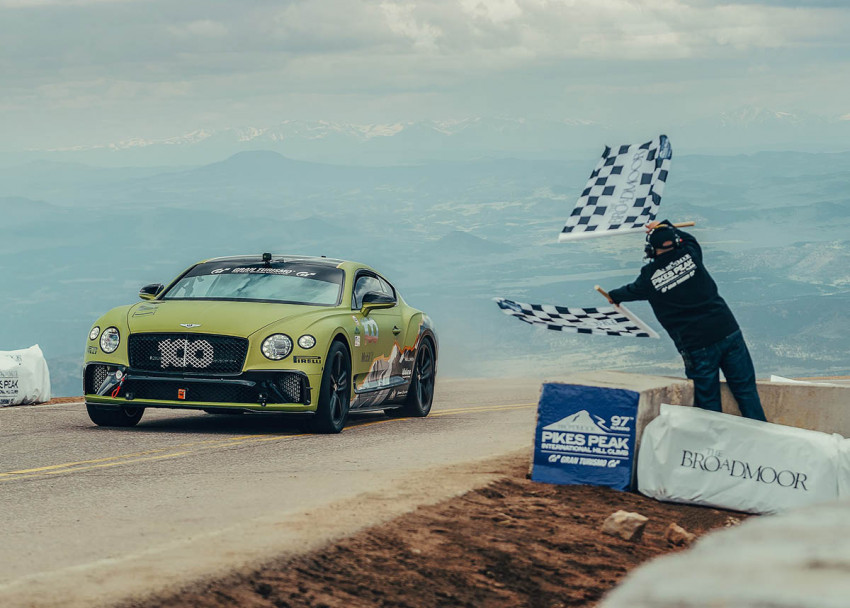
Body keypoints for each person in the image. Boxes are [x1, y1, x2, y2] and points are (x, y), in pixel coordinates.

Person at [605, 220, 766, 421]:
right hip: (728, 331)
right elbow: (690, 239)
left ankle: (714, 439)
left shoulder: (649, 277)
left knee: (708, 404)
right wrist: (664, 224)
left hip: (697, 345)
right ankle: (762, 432)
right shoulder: (691, 254)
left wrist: (613, 295)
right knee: (746, 391)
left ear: (651, 250)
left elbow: (630, 291)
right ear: (676, 242)